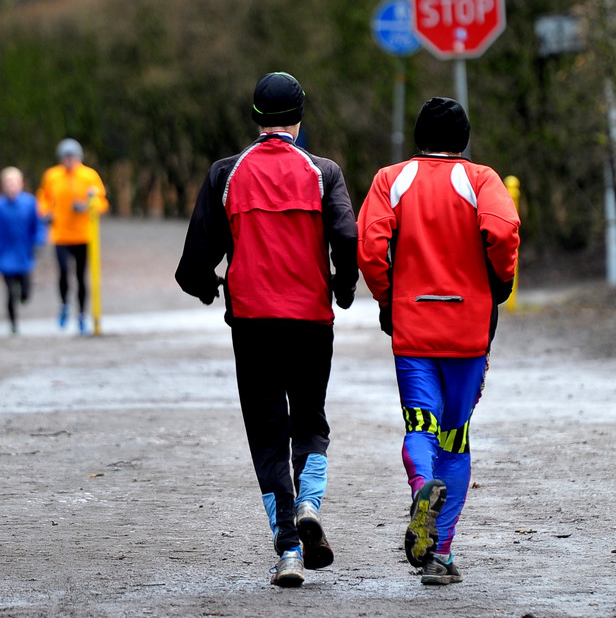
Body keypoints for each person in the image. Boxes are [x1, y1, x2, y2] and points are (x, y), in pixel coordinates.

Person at [175, 72, 358, 588]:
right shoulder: (325, 173)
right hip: (311, 322)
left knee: (268, 436)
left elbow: (193, 264)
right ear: (300, 117)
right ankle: (310, 504)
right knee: (311, 421)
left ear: (255, 118)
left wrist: (208, 287)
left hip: (252, 323)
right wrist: (343, 287)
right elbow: (346, 236)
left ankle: (287, 551)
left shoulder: (225, 174)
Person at [356, 97, 520, 586]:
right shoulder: (481, 179)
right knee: (456, 437)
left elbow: (368, 245)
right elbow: (503, 230)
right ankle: (439, 555)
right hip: (469, 330)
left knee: (419, 425)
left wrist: (389, 297)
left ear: (417, 137)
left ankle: (421, 486)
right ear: (464, 140)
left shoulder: (392, 179)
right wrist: (499, 281)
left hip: (413, 329)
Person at [36, 138, 109, 335]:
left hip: (84, 235)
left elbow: (102, 202)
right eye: (65, 157)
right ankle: (64, 306)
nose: (69, 160)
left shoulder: (89, 176)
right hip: (60, 234)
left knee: (81, 276)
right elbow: (43, 198)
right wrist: (45, 214)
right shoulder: (52, 176)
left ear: (79, 157)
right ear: (60, 158)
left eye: (72, 157)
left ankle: (82, 314)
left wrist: (87, 206)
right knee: (63, 273)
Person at [0, 166, 47, 334]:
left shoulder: (30, 203)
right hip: (4, 255)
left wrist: (39, 242)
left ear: (21, 184)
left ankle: (24, 296)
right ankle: (13, 323)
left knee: (25, 290)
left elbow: (39, 225)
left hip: (24, 254)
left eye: (14, 182)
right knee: (10, 291)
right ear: (2, 185)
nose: (11, 186)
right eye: (8, 183)